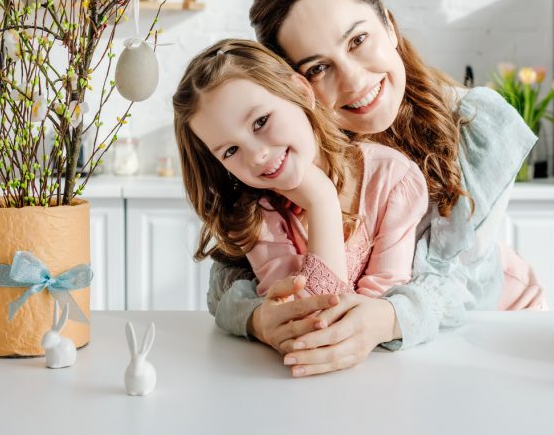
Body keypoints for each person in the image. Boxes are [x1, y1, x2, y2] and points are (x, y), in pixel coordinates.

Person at [208, 0, 546, 378]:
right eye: (318, 67)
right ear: (293, 85)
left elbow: (453, 285)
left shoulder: (475, 127)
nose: (352, 80)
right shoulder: (284, 153)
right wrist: (259, 317)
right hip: (387, 367)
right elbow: (227, 286)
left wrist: (386, 317)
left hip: (503, 336)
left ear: (389, 23)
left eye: (357, 40)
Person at [173, 40, 429, 313]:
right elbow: (307, 317)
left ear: (300, 91)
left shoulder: (392, 179)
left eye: (260, 122)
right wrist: (322, 201)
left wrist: (321, 198)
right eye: (231, 150)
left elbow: (380, 314)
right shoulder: (255, 216)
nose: (257, 156)